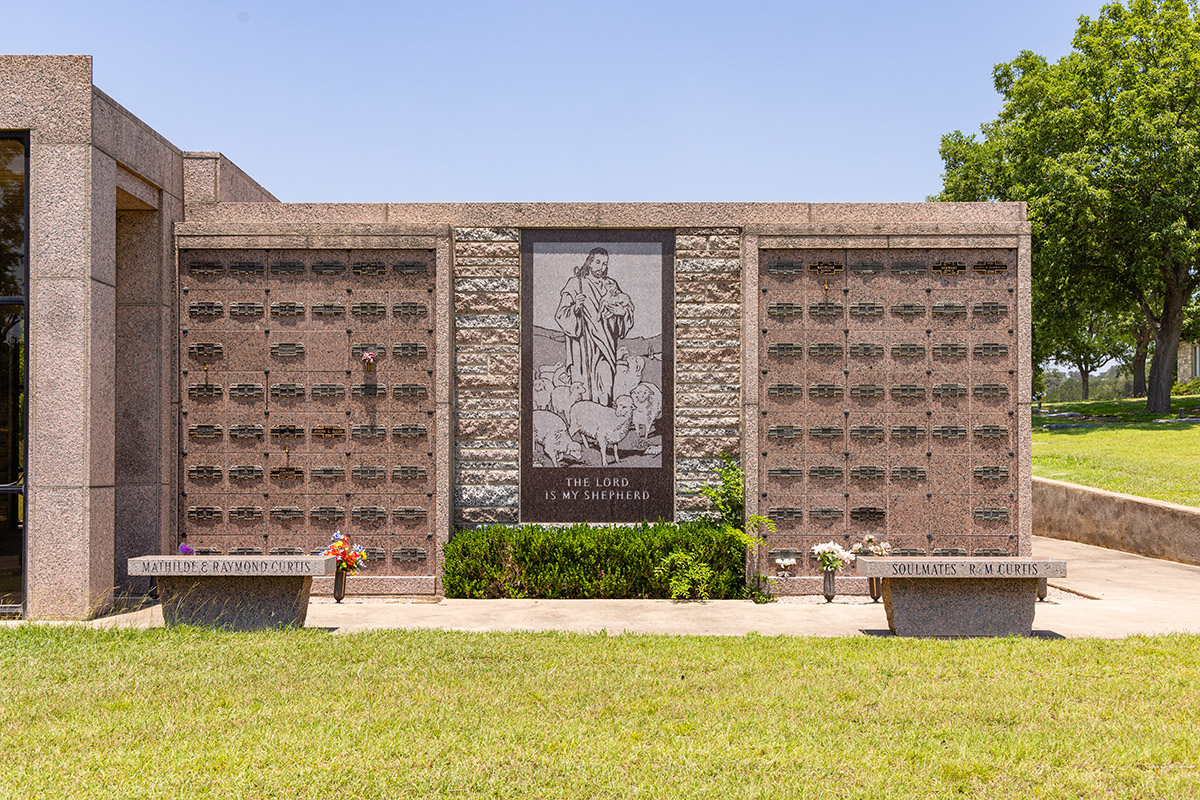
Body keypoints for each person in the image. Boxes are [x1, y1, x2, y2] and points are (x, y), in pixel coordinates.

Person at [553, 247, 634, 407]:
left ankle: (603, 422)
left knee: (605, 383)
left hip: (606, 345)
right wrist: (576, 307)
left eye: (605, 264)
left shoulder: (611, 285)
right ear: (589, 262)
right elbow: (561, 314)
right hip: (583, 349)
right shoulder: (575, 283)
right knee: (584, 388)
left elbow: (626, 307)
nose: (601, 267)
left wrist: (621, 312)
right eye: (598, 262)